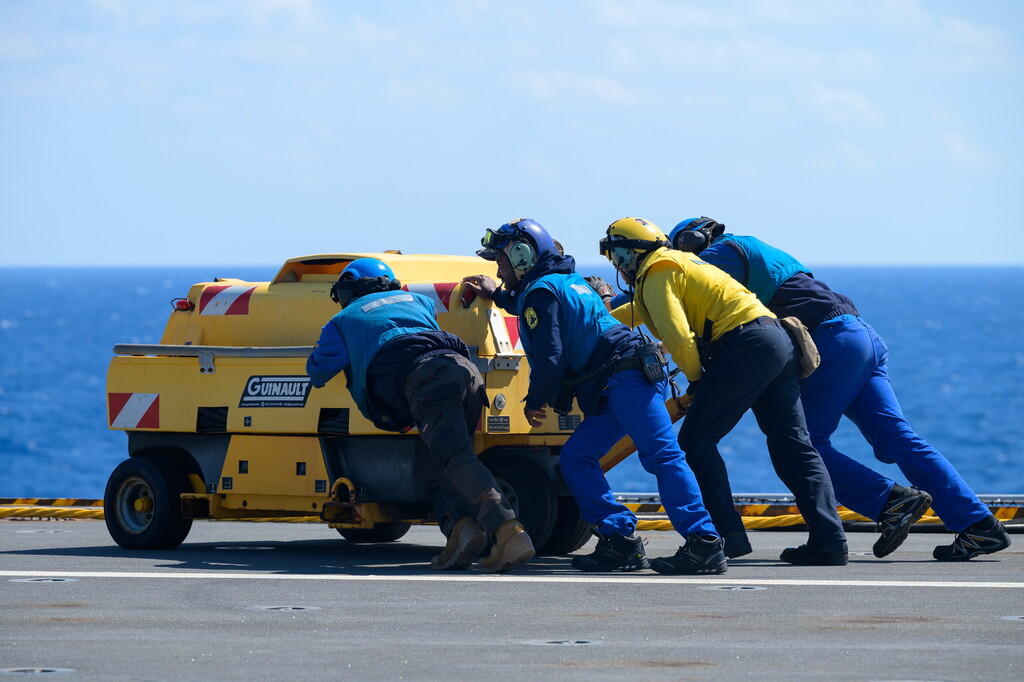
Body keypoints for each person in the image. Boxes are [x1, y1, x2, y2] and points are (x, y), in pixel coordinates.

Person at [668, 217, 1011, 561]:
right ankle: (979, 524)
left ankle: (890, 502)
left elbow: (684, 300)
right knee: (899, 438)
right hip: (860, 335)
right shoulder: (755, 247)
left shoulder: (717, 255)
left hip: (831, 341)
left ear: (688, 242)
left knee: (803, 445)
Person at [462, 218, 726, 575]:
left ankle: (703, 543)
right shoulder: (564, 281)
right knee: (578, 456)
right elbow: (535, 304)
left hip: (625, 379)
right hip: (620, 380)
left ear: (523, 255)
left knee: (663, 457)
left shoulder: (541, 292)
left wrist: (536, 400)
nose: (499, 269)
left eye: (502, 262)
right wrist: (497, 294)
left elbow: (551, 357)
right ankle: (620, 539)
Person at [601, 217, 849, 566]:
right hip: (776, 341)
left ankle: (719, 541)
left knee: (695, 442)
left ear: (628, 254)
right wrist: (594, 311)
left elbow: (677, 335)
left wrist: (697, 379)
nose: (615, 265)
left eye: (615, 255)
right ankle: (830, 541)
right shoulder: (671, 268)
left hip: (745, 345)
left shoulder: (658, 272)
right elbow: (633, 312)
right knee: (793, 444)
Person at [306, 257, 535, 573]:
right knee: (442, 461)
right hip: (464, 371)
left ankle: (509, 532)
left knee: (456, 459)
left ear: (350, 288)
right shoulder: (419, 301)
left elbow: (317, 371)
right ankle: (460, 530)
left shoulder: (342, 320)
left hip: (425, 380)